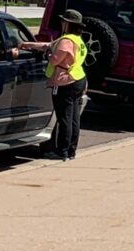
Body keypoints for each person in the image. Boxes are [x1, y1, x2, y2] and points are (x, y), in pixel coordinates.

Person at [17, 9, 88, 161]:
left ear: (67, 24)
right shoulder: (77, 40)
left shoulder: (65, 41)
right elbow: (49, 45)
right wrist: (28, 45)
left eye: (63, 21)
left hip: (65, 81)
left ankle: (61, 151)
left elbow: (54, 59)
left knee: (64, 118)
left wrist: (48, 55)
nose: (61, 23)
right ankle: (71, 151)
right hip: (78, 79)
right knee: (74, 117)